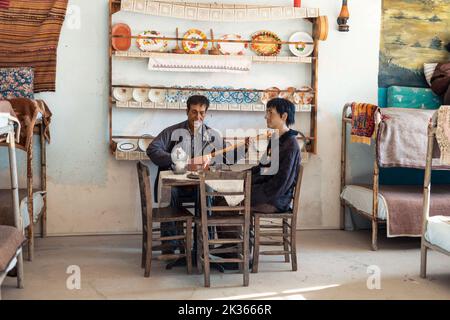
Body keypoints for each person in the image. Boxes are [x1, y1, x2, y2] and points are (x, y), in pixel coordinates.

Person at [147, 95, 245, 257]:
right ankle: (170, 245)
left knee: (205, 190)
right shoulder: (172, 131)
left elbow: (228, 157)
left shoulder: (212, 135)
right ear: (187, 111)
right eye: (194, 112)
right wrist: (179, 159)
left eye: (202, 113)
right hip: (178, 187)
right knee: (170, 191)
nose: (198, 117)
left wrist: (244, 148)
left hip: (199, 186)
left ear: (206, 113)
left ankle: (203, 245)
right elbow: (152, 149)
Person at [250, 97, 301, 213]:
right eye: (266, 112)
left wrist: (250, 190)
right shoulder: (275, 139)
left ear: (284, 116)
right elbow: (262, 168)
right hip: (266, 193)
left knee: (226, 204)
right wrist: (241, 176)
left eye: (270, 113)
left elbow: (281, 183)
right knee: (224, 198)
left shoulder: (291, 145)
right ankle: (245, 232)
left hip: (275, 200)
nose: (266, 116)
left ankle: (244, 232)